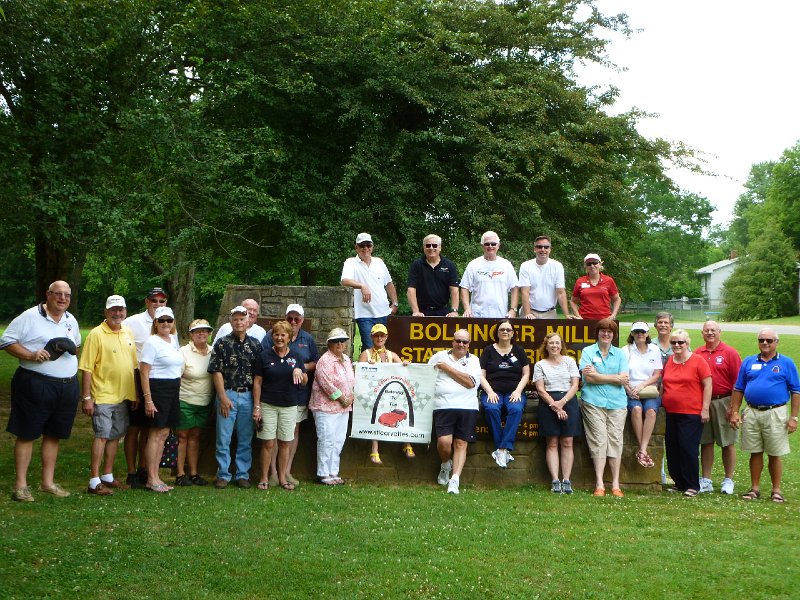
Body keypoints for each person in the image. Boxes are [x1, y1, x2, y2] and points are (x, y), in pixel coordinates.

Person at [2, 281, 81, 502]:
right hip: (35, 383)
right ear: (48, 294)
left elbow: (76, 345)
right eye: (58, 294)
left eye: (67, 295)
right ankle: (20, 486)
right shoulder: (29, 317)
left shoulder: (70, 319)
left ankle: (47, 483)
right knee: (27, 433)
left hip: (66, 386)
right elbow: (6, 340)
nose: (63, 298)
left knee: (54, 434)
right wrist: (30, 355)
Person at [728, 328, 800, 503]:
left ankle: (776, 490)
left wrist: (794, 417)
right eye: (761, 340)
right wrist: (735, 411)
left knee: (775, 453)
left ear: (776, 342)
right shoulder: (749, 362)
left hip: (775, 412)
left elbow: (796, 391)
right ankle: (754, 488)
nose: (765, 343)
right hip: (752, 412)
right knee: (755, 452)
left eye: (769, 340)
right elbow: (739, 388)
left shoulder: (786, 363)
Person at [78, 294, 137, 496]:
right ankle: (94, 481)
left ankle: (107, 476)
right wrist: (86, 397)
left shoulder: (128, 332)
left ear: (125, 312)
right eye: (113, 310)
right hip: (102, 395)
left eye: (120, 310)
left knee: (115, 436)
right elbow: (86, 368)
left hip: (123, 396)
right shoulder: (96, 334)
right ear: (106, 312)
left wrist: (135, 393)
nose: (117, 313)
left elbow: (133, 365)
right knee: (102, 436)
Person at [261, 303, 319, 487]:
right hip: (271, 396)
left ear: (302, 320)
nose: (293, 321)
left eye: (297, 318)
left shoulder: (307, 339)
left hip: (296, 395)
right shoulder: (271, 337)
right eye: (290, 318)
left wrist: (299, 369)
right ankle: (273, 473)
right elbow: (263, 360)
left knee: (291, 433)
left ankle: (286, 471)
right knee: (272, 435)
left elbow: (315, 362)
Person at [207, 305, 261, 489]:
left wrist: (257, 403)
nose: (239, 322)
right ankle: (223, 474)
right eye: (235, 319)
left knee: (245, 438)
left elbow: (258, 376)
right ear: (231, 322)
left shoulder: (255, 344)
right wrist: (222, 397)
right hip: (228, 394)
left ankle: (242, 474)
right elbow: (216, 371)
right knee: (224, 438)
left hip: (247, 396)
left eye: (242, 319)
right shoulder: (222, 343)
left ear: (248, 322)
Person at [122, 287, 171, 488]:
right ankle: (131, 471)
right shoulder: (132, 322)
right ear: (147, 302)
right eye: (154, 301)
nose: (157, 305)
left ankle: (144, 468)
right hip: (137, 376)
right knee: (134, 427)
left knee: (149, 427)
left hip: (158, 381)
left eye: (161, 301)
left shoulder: (167, 321)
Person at [253, 321, 308, 491]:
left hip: (289, 405)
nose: (279, 338)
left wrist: (301, 373)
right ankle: (264, 478)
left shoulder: (296, 357)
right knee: (268, 443)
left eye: (283, 335)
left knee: (285, 443)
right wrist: (257, 407)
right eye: (276, 334)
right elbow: (257, 382)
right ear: (272, 337)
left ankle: (283, 478)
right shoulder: (264, 356)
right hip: (268, 404)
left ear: (289, 338)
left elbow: (304, 383)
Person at [579, 318, 629, 497]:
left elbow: (624, 378)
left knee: (615, 440)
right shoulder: (587, 351)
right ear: (597, 333)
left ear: (614, 335)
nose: (606, 334)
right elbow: (589, 378)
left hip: (617, 403)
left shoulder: (621, 354)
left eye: (610, 331)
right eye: (603, 331)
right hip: (593, 402)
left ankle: (615, 484)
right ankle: (599, 483)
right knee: (598, 440)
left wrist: (600, 376)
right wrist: (614, 378)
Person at [428, 329, 481, 495]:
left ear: (469, 344)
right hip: (443, 406)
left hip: (467, 407)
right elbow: (424, 375)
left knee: (460, 444)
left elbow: (470, 383)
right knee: (444, 442)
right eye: (458, 341)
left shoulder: (474, 360)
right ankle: (445, 464)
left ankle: (455, 480)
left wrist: (447, 369)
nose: (461, 344)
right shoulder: (439, 357)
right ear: (452, 341)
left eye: (465, 342)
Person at [661, 329, 712, 497]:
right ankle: (679, 482)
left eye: (680, 342)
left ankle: (692, 485)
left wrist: (705, 408)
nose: (676, 345)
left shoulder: (698, 361)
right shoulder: (669, 360)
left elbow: (708, 385)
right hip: (671, 411)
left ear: (687, 343)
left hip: (691, 412)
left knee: (688, 448)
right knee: (672, 448)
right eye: (674, 342)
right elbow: (664, 384)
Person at [139, 306, 184, 493]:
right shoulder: (152, 342)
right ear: (155, 323)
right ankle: (151, 478)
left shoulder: (173, 340)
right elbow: (144, 372)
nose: (166, 323)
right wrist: (148, 399)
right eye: (162, 320)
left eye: (169, 320)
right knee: (156, 434)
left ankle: (156, 476)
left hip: (173, 389)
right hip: (158, 390)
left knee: (164, 433)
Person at [695, 320, 741, 495]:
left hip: (724, 401)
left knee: (727, 442)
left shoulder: (729, 353)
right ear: (702, 333)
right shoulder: (698, 353)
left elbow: (738, 382)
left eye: (713, 330)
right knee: (705, 442)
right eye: (707, 330)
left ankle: (728, 479)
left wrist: (733, 407)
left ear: (719, 332)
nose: (710, 333)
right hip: (704, 402)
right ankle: (706, 480)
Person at [534, 332, 581, 494]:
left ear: (562, 345)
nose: (554, 346)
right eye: (551, 343)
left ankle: (566, 480)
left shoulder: (570, 361)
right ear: (546, 346)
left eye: (557, 343)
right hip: (548, 403)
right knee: (552, 442)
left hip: (568, 401)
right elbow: (540, 389)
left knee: (567, 441)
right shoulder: (540, 364)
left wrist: (562, 403)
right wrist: (555, 406)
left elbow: (575, 385)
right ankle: (555, 480)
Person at [479, 321, 530, 468]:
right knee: (491, 409)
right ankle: (503, 449)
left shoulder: (519, 351)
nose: (505, 332)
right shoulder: (488, 350)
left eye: (508, 329)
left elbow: (526, 374)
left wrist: (518, 391)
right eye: (502, 329)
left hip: (514, 391)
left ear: (513, 333)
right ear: (497, 332)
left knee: (516, 409)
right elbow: (481, 375)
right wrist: (489, 391)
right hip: (492, 390)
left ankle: (501, 449)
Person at [310, 328, 356, 486]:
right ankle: (323, 473)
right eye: (336, 341)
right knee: (326, 439)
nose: (340, 344)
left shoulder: (346, 359)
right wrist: (342, 398)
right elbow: (325, 383)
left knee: (338, 440)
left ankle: (333, 471)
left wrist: (351, 396)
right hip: (326, 407)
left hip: (343, 408)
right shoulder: (325, 360)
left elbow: (351, 380)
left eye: (342, 340)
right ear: (329, 343)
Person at [358, 323, 410, 464]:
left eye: (382, 335)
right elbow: (359, 376)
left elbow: (404, 372)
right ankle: (374, 450)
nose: (379, 338)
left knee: (403, 409)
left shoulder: (391, 355)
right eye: (376, 335)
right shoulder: (366, 354)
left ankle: (407, 443)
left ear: (386, 337)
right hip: (373, 395)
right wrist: (368, 367)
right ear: (372, 337)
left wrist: (404, 363)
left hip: (390, 394)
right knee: (376, 411)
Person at [341, 232, 399, 350]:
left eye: (368, 245)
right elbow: (344, 280)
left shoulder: (379, 262)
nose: (366, 248)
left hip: (384, 313)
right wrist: (362, 286)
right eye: (362, 245)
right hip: (364, 315)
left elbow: (388, 283)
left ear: (372, 247)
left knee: (385, 348)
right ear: (356, 247)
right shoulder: (350, 262)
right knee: (369, 348)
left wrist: (395, 303)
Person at [175, 319, 215, 487]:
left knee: (195, 437)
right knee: (182, 436)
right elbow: (176, 378)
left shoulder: (214, 352)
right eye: (197, 331)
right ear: (190, 334)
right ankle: (179, 473)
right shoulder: (183, 352)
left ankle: (193, 473)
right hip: (185, 400)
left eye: (205, 330)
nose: (201, 333)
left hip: (204, 402)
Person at [621, 322, 663, 469]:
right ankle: (643, 449)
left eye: (643, 332)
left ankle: (642, 450)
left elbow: (657, 374)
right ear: (632, 334)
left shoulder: (655, 350)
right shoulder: (626, 350)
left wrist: (642, 386)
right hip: (631, 390)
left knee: (651, 411)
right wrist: (629, 390)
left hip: (649, 389)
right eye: (636, 332)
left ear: (647, 333)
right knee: (637, 410)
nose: (640, 334)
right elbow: (622, 374)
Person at [460, 231, 518, 318]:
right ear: (482, 246)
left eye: (493, 244)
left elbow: (515, 287)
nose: (490, 246)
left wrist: (513, 309)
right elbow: (464, 287)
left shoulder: (506, 265)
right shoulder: (473, 265)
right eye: (487, 244)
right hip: (476, 316)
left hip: (501, 316)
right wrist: (467, 308)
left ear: (498, 246)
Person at [518, 235, 571, 319]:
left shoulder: (557, 266)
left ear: (550, 249)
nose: (543, 249)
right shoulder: (525, 266)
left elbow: (560, 292)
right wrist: (528, 313)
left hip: (550, 313)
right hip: (529, 311)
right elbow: (525, 292)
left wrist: (567, 315)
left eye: (546, 247)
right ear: (534, 249)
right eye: (539, 247)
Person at [407, 234, 460, 316]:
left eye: (434, 245)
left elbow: (454, 290)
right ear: (424, 248)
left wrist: (454, 311)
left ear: (440, 248)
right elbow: (411, 289)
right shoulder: (416, 265)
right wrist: (415, 311)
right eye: (428, 245)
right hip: (421, 312)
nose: (431, 248)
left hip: (443, 312)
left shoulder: (449, 265)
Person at [654, 311, 674, 485]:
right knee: (656, 433)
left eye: (666, 322)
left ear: (671, 326)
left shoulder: (678, 343)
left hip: (674, 394)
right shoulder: (650, 344)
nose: (663, 325)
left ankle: (674, 471)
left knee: (672, 435)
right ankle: (659, 472)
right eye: (660, 322)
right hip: (653, 393)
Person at [570, 254, 621, 320]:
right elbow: (573, 301)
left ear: (600, 264)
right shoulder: (580, 281)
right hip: (585, 320)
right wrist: (578, 316)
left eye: (595, 263)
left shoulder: (608, 280)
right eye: (589, 264)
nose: (592, 266)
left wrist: (613, 315)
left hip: (604, 320)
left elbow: (617, 299)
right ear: (585, 266)